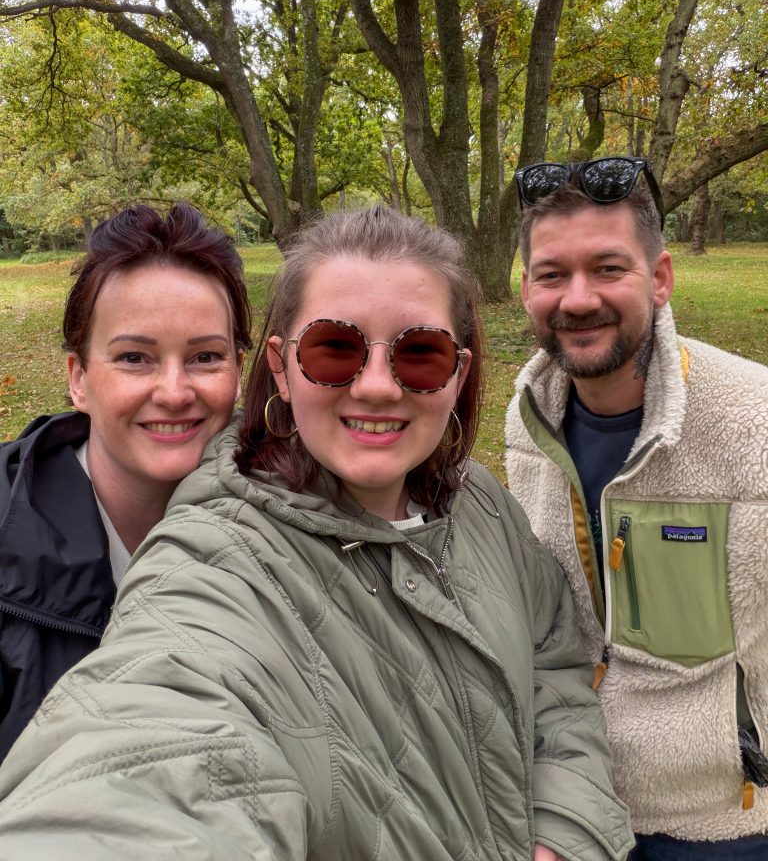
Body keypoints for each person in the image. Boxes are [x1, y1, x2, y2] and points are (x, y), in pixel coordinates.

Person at [0, 206, 632, 861]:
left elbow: (555, 669)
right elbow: (160, 746)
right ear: (280, 366)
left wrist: (564, 831)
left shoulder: (481, 504)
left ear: (459, 373)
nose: (379, 387)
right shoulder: (219, 564)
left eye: (421, 353)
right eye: (335, 349)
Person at [504, 157, 768, 860]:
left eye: (608, 269)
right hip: (572, 807)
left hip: (726, 824)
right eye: (552, 275)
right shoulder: (526, 422)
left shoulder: (755, 422)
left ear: (660, 278)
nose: (577, 299)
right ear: (526, 288)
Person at [0, 203, 250, 762]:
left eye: (205, 357)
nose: (174, 392)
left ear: (238, 372)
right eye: (134, 357)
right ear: (79, 380)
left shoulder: (288, 527)